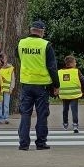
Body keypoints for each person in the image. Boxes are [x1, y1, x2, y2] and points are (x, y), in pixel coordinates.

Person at [17, 20, 58, 150]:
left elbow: (18, 57)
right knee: (42, 114)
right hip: (42, 85)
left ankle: (23, 143)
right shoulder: (46, 45)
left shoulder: (21, 43)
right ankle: (40, 143)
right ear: (41, 31)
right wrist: (56, 84)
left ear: (31, 30)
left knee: (25, 114)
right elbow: (52, 67)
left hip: (26, 84)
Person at [58, 54, 84, 132]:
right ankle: (75, 125)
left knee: (65, 109)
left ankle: (65, 124)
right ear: (71, 63)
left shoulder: (59, 72)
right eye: (75, 62)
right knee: (74, 110)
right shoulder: (76, 71)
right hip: (74, 95)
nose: (76, 64)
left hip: (64, 94)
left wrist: (54, 90)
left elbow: (56, 82)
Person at [0, 53, 15, 124]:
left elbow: (13, 79)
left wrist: (11, 88)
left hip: (7, 89)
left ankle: (6, 118)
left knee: (6, 104)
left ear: (6, 59)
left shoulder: (10, 68)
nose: (3, 60)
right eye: (1, 59)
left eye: (4, 58)